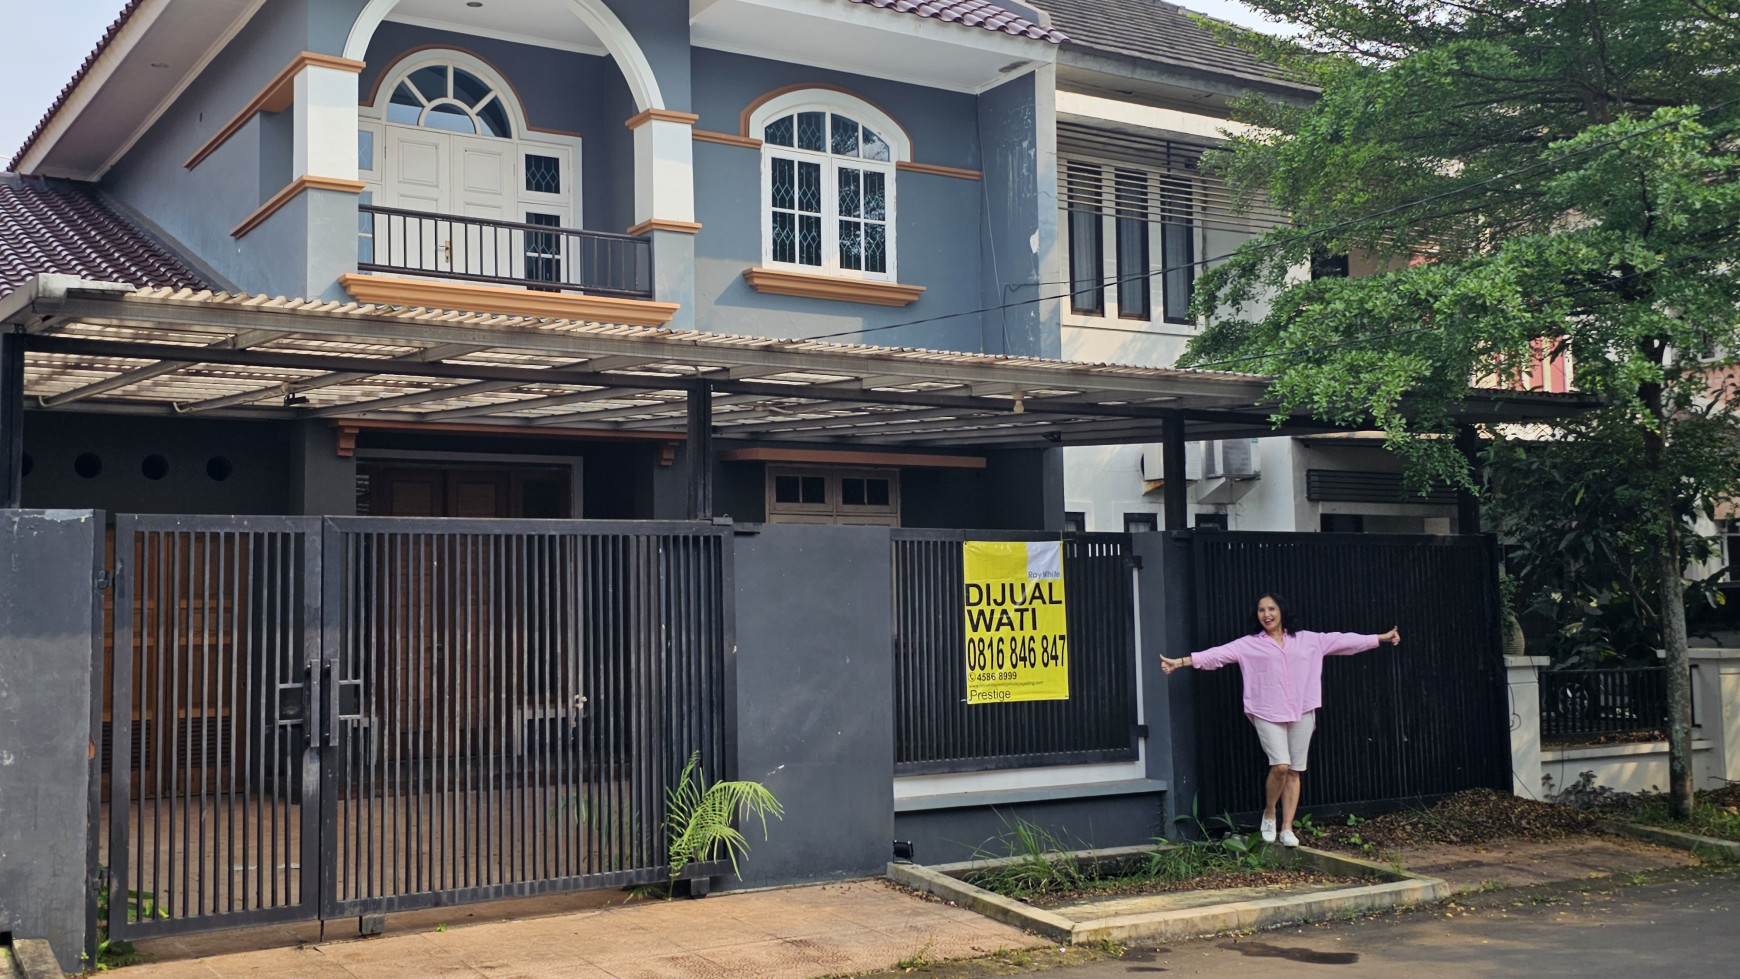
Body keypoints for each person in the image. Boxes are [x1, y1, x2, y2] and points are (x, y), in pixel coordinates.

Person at [1159, 593, 1399, 847]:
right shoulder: (1249, 644)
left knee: (1295, 770)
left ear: (1281, 611)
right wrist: (1181, 662)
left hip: (1302, 709)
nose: (1267, 614)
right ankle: (1270, 812)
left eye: (1271, 609)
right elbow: (1217, 655)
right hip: (1266, 710)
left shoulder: (1308, 640)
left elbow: (1344, 641)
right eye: (1261, 610)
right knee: (1281, 765)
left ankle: (1287, 828)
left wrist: (1381, 638)